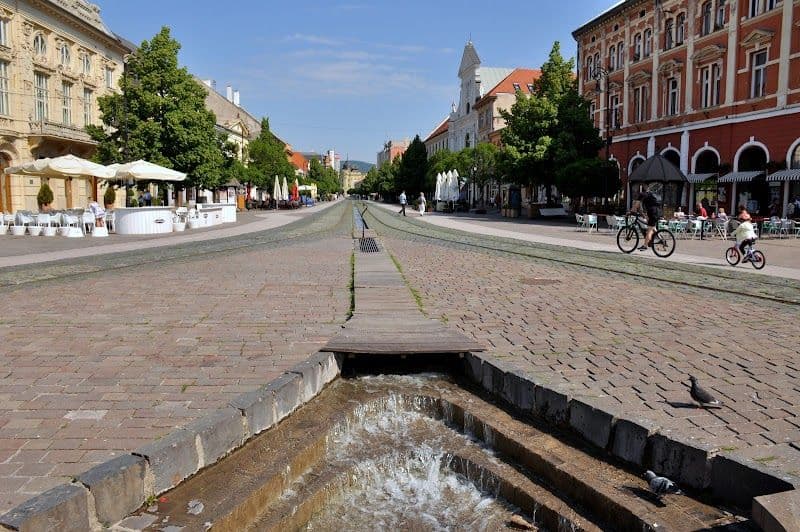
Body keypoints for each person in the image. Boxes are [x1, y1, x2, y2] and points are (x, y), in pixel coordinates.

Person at [633, 186, 660, 251]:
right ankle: (661, 240)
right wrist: (644, 215)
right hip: (657, 211)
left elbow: (636, 205)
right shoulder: (650, 194)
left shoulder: (642, 194)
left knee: (649, 230)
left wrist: (631, 211)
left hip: (652, 212)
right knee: (653, 228)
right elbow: (642, 208)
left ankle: (645, 246)